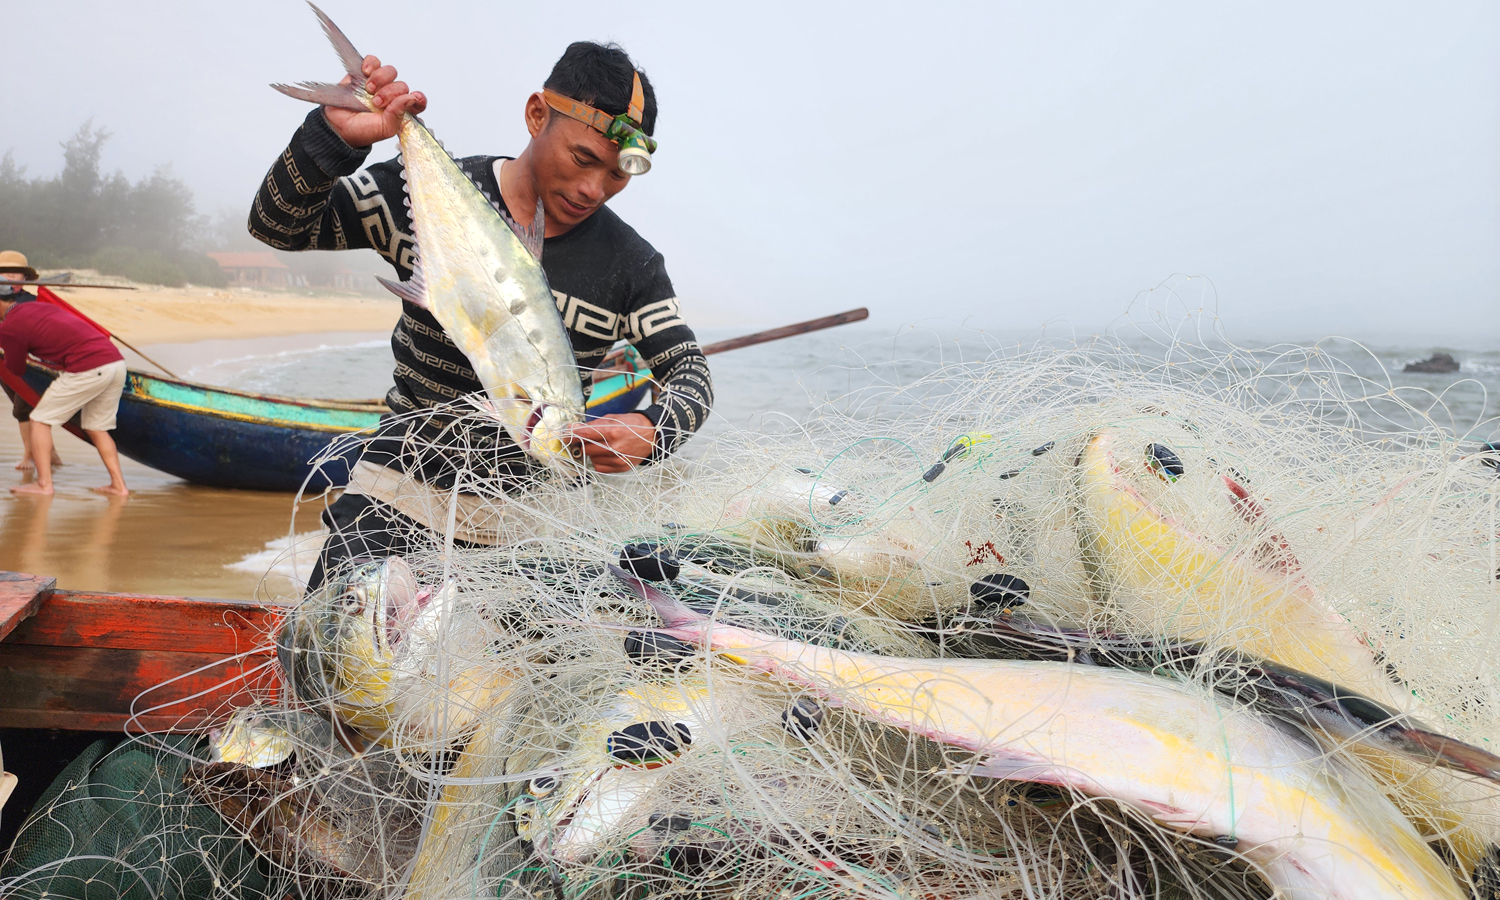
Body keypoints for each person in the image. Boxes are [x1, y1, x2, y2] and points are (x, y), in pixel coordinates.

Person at [248, 41, 713, 590]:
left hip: (535, 531)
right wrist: (332, 139)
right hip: (397, 500)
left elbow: (690, 375)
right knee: (346, 664)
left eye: (617, 174)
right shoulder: (421, 191)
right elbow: (278, 227)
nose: (594, 189)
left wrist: (653, 430)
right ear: (537, 114)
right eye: (583, 158)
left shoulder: (632, 265)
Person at [0, 251, 129, 497]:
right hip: (115, 363)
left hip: (87, 368)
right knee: (96, 427)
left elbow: (16, 370)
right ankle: (119, 486)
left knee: (40, 419)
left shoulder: (10, 326)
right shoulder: (39, 307)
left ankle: (44, 485)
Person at [0, 253, 64, 472]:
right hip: (3, 362)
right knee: (22, 409)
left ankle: (30, 454)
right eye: (3, 272)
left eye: (14, 272)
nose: (9, 276)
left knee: (23, 407)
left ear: (24, 277)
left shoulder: (32, 301)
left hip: (30, 363)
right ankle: (49, 451)